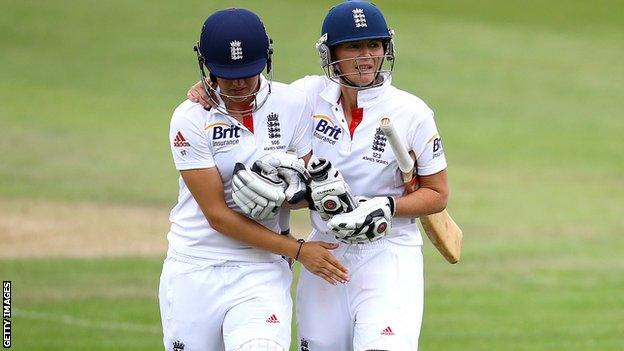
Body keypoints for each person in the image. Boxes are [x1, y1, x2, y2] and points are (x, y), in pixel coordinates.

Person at [187, 2, 450, 349]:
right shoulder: (307, 96)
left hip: (388, 254)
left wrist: (385, 205)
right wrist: (208, 86)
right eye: (353, 47)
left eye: (373, 45)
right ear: (330, 53)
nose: (366, 56)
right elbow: (249, 85)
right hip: (326, 249)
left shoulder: (412, 112)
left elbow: (437, 194)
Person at [160, 8, 348, 351]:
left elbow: (306, 190)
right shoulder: (188, 118)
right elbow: (217, 216)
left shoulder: (292, 103)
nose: (238, 83)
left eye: (248, 72)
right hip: (196, 266)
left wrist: (299, 192)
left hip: (262, 268)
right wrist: (299, 250)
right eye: (226, 73)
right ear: (206, 66)